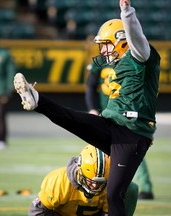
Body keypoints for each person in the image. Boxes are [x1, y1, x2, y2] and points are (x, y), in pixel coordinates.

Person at [14, 0, 160, 215]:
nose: (104, 50)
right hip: (113, 126)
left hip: (131, 134)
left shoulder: (140, 56)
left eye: (107, 44)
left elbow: (137, 38)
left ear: (121, 41)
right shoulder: (119, 64)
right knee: (71, 119)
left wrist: (127, 13)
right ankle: (38, 100)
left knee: (114, 193)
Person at [85, 62, 154, 200]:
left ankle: (144, 187)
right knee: (99, 152)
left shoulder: (131, 61)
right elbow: (91, 85)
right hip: (105, 113)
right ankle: (103, 186)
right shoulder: (103, 61)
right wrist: (92, 108)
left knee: (132, 148)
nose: (104, 49)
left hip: (125, 114)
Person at [29, 144, 139, 216]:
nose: (95, 186)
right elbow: (37, 212)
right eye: (91, 181)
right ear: (79, 170)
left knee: (130, 188)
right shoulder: (59, 181)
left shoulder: (110, 183)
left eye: (100, 183)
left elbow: (108, 213)